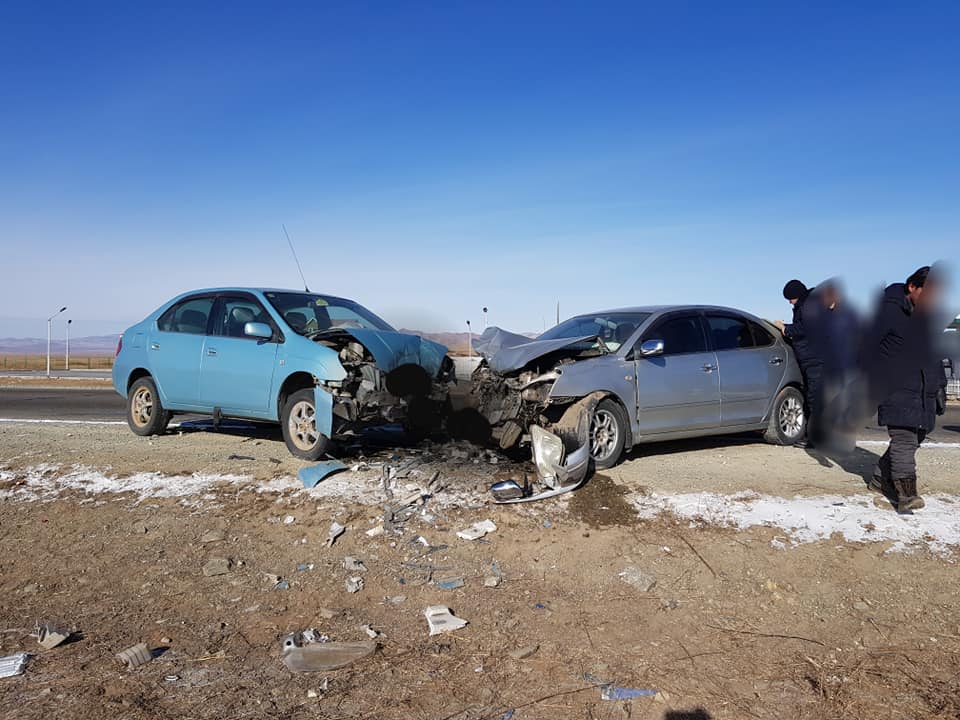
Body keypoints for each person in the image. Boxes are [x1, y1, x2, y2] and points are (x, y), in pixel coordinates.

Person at [863, 266, 947, 511]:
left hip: (923, 388)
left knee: (916, 436)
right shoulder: (886, 312)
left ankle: (880, 479)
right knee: (904, 440)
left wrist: (939, 386)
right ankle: (907, 495)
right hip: (896, 386)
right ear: (912, 287)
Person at [781, 279, 824, 446]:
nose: (790, 302)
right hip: (813, 358)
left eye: (790, 298)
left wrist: (786, 329)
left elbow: (805, 328)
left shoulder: (808, 306)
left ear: (797, 295)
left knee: (814, 399)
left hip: (814, 359)